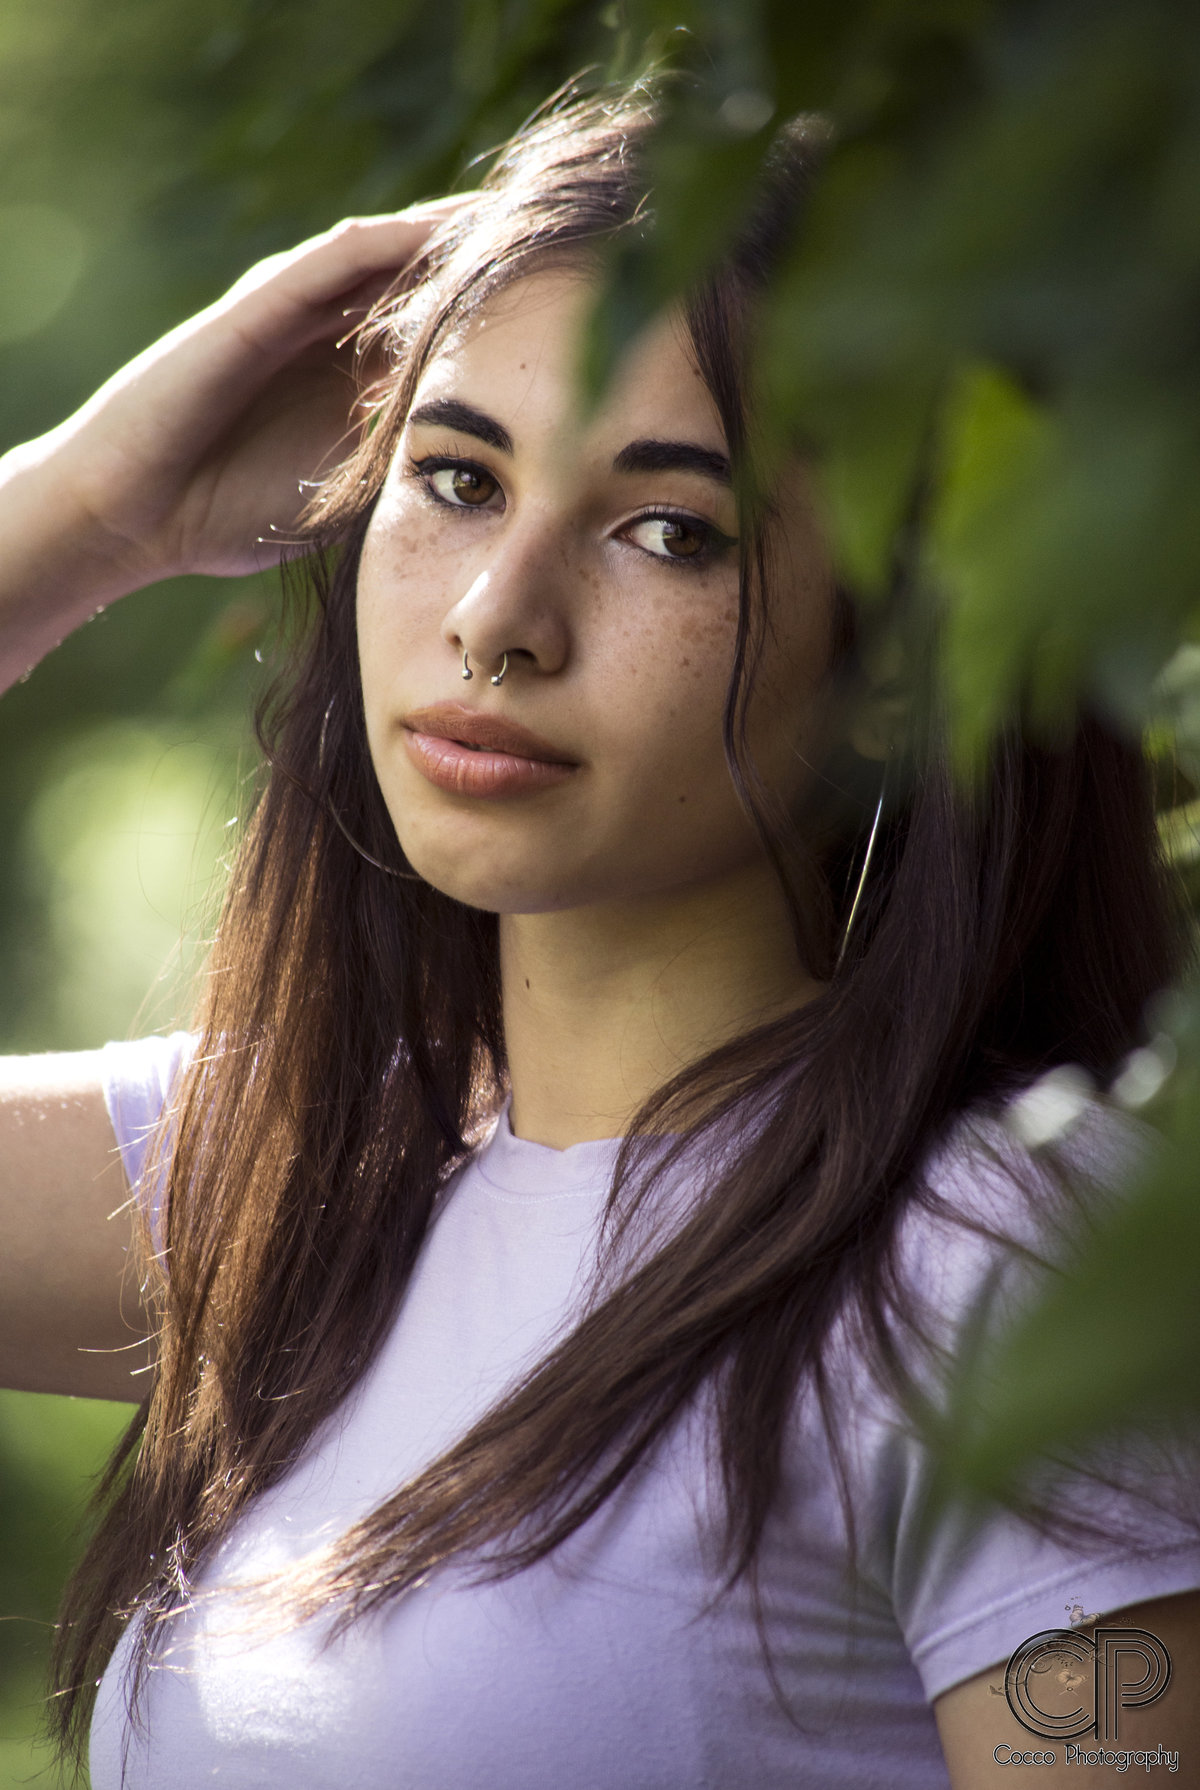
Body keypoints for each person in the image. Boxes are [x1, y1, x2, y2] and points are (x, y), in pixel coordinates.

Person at [0, 82, 1197, 1790]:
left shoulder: (981, 1265)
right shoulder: (294, 1183)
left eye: (670, 529)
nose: (497, 619)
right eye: (456, 480)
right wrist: (81, 518)